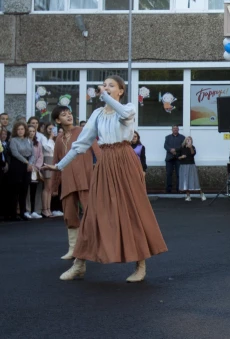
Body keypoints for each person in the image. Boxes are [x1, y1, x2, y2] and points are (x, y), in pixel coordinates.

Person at [43, 75, 167, 282]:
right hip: (105, 162)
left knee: (132, 210)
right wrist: (59, 166)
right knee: (93, 213)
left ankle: (140, 265)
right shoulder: (98, 114)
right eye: (105, 85)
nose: (106, 88)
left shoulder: (127, 108)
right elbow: (80, 144)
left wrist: (105, 95)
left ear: (120, 91)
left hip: (125, 161)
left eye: (111, 86)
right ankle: (79, 264)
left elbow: (124, 113)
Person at [51, 105, 100, 260]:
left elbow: (97, 151)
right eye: (64, 114)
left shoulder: (82, 131)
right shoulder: (58, 139)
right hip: (67, 182)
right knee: (70, 215)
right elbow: (56, 161)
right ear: (58, 120)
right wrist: (54, 185)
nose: (69, 116)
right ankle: (73, 249)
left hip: (85, 179)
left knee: (91, 214)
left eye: (70, 113)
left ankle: (96, 248)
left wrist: (105, 168)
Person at [8, 122, 34, 221]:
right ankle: (13, 214)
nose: (20, 131)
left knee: (24, 190)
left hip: (27, 167)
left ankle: (23, 213)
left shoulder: (28, 140)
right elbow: (15, 153)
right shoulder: (13, 140)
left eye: (22, 129)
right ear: (15, 130)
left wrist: (30, 163)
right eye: (18, 129)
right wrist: (27, 162)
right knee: (15, 191)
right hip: (17, 166)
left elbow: (33, 154)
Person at [178, 136, 206, 201]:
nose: (188, 141)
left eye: (189, 140)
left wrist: (190, 147)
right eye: (187, 139)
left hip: (191, 165)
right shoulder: (181, 148)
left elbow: (193, 153)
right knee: (186, 181)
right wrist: (181, 157)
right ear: (185, 140)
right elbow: (177, 156)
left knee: (194, 180)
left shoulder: (192, 147)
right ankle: (188, 196)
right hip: (183, 165)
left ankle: (201, 194)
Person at [26, 125, 44, 219]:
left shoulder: (37, 143)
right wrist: (30, 165)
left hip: (35, 169)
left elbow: (41, 155)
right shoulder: (25, 142)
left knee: (35, 190)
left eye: (33, 131)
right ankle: (27, 210)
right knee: (27, 190)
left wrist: (37, 166)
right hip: (27, 168)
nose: (31, 133)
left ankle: (35, 210)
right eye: (29, 131)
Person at [40, 123, 57, 218]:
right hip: (47, 159)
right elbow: (48, 148)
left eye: (53, 129)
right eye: (49, 129)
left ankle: (49, 208)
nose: (51, 131)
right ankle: (44, 209)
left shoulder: (54, 140)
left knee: (50, 188)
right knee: (47, 187)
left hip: (53, 161)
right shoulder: (44, 138)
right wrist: (51, 137)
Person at [164, 125, 185, 193]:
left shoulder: (182, 137)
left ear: (178, 129)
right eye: (174, 128)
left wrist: (175, 150)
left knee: (179, 174)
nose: (175, 129)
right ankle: (168, 189)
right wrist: (170, 150)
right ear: (172, 129)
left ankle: (179, 189)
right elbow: (165, 146)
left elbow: (183, 146)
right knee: (169, 174)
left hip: (178, 158)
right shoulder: (167, 137)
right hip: (169, 158)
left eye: (176, 128)